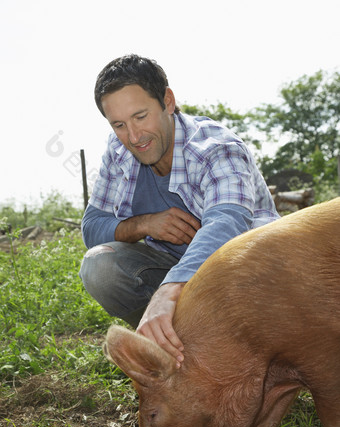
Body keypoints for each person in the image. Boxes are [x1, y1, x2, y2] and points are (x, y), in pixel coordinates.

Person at [80, 54, 280, 368]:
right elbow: (92, 226)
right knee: (99, 267)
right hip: (174, 266)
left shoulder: (217, 147)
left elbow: (229, 221)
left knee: (246, 267)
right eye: (119, 125)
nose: (134, 137)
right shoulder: (119, 150)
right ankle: (175, 346)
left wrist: (168, 290)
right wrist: (144, 224)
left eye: (141, 116)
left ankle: (247, 352)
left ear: (168, 101)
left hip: (245, 272)